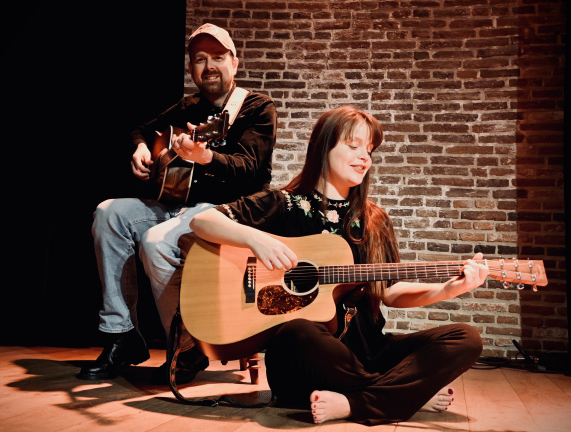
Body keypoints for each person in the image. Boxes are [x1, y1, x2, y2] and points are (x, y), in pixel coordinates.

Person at [189, 105, 488, 425]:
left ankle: (356, 402)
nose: (365, 157)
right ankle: (403, 397)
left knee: (465, 338)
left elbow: (391, 292)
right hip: (305, 361)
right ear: (323, 146)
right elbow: (202, 221)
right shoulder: (285, 204)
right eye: (353, 145)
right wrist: (255, 240)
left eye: (369, 150)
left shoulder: (374, 220)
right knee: (299, 330)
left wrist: (447, 288)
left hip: (368, 353)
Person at [78, 23, 277, 384]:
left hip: (225, 212)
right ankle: (121, 336)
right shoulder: (189, 107)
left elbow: (251, 169)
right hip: (176, 205)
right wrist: (141, 147)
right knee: (108, 213)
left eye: (218, 57)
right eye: (200, 59)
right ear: (191, 68)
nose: (209, 66)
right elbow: (142, 130)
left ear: (235, 61)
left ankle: (187, 349)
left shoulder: (257, 108)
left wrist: (206, 159)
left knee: (157, 240)